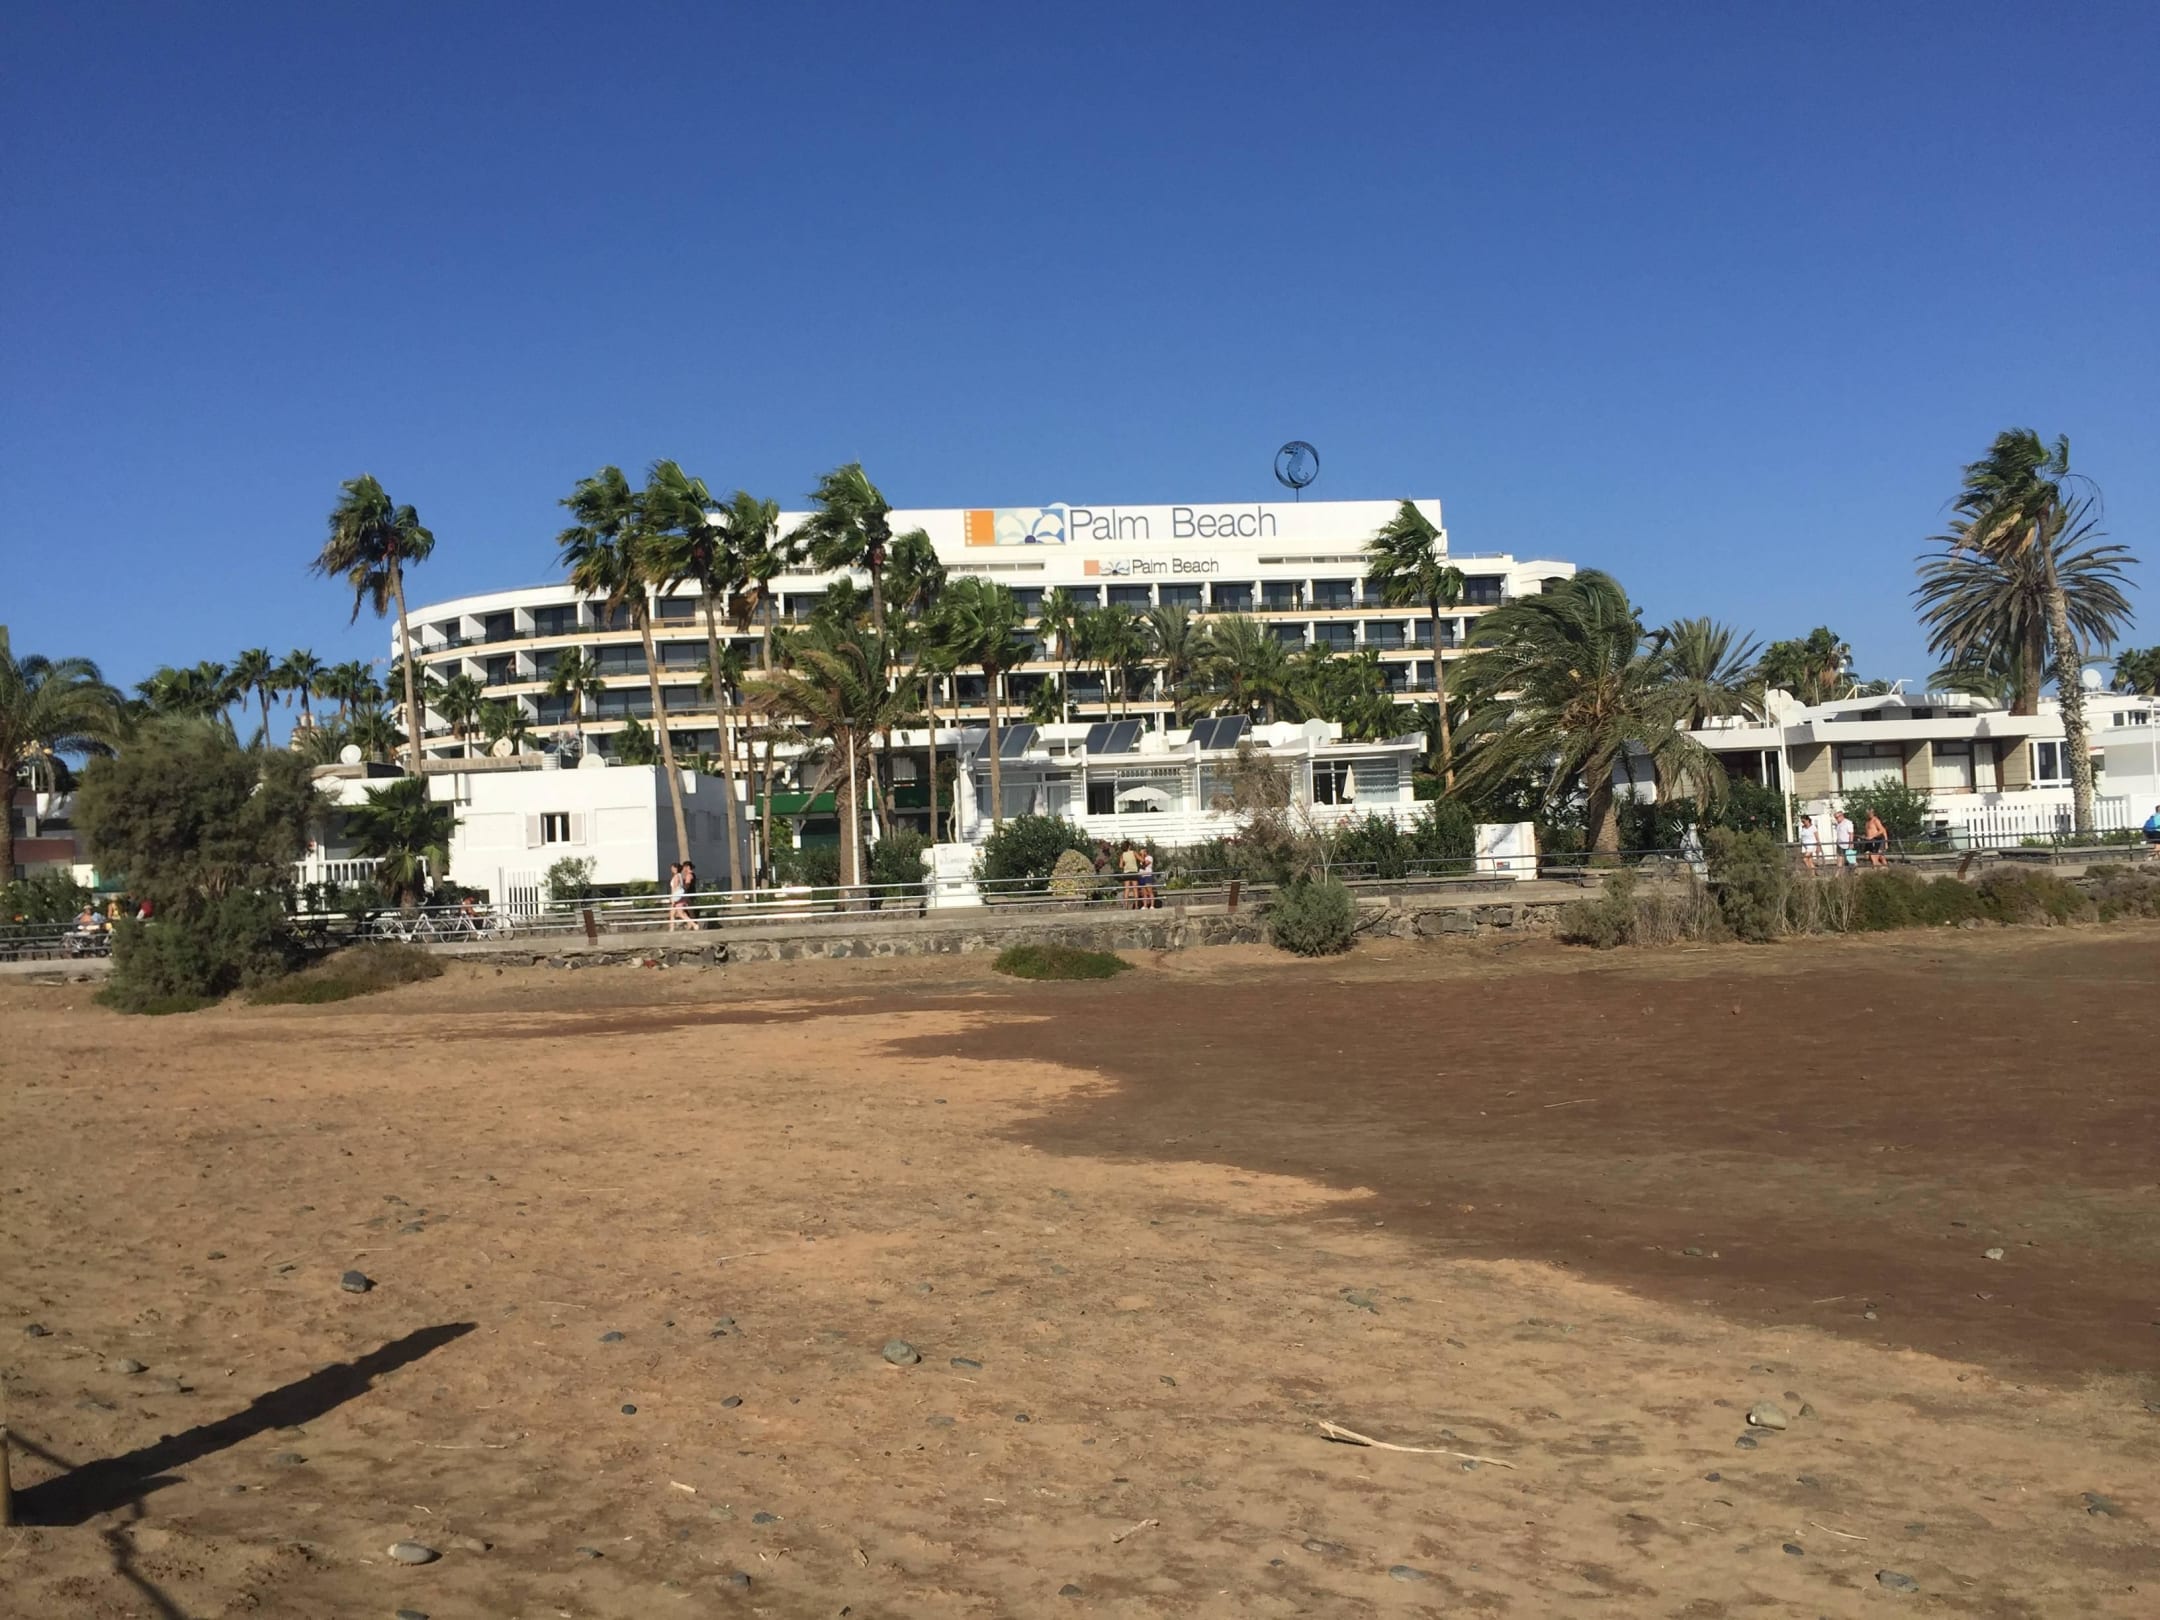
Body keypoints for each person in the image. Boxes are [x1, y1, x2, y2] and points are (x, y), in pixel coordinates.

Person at [1117, 842, 1140, 908]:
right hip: (1134, 872)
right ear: (1129, 846)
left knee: (1126, 889)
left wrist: (1125, 864)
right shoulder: (1133, 852)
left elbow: (1120, 866)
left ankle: (1126, 905)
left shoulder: (1122, 855)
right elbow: (1141, 859)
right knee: (1135, 889)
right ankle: (1136, 905)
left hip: (1126, 872)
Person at [667, 862, 689, 931]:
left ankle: (693, 924)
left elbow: (674, 888)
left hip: (676, 898)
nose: (671, 869)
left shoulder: (676, 876)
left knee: (680, 913)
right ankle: (671, 928)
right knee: (673, 914)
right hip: (678, 897)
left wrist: (672, 898)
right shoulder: (679, 876)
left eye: (673, 868)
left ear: (676, 868)